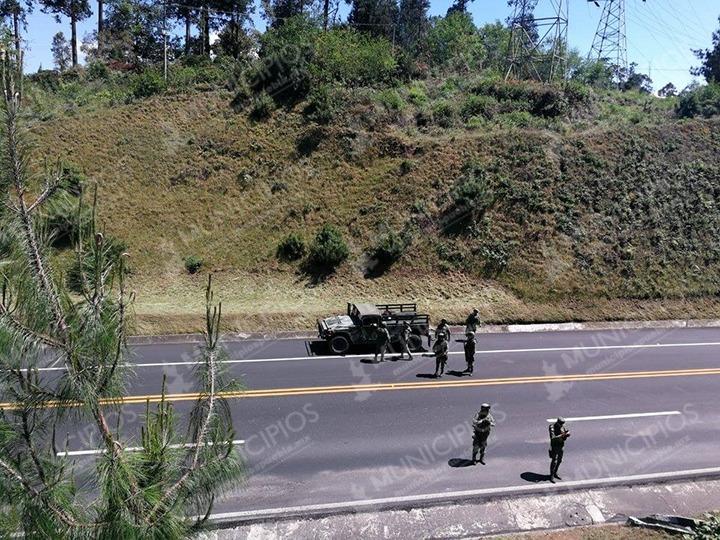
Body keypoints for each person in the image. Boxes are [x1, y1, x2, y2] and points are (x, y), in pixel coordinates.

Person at [548, 417, 570, 482]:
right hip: (554, 446)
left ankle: (555, 473)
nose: (562, 425)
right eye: (561, 423)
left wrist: (566, 435)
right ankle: (551, 475)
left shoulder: (563, 427)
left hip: (561, 445)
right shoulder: (552, 427)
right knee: (554, 461)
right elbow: (553, 437)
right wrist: (562, 435)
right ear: (557, 422)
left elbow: (564, 436)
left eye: (563, 424)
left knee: (559, 460)